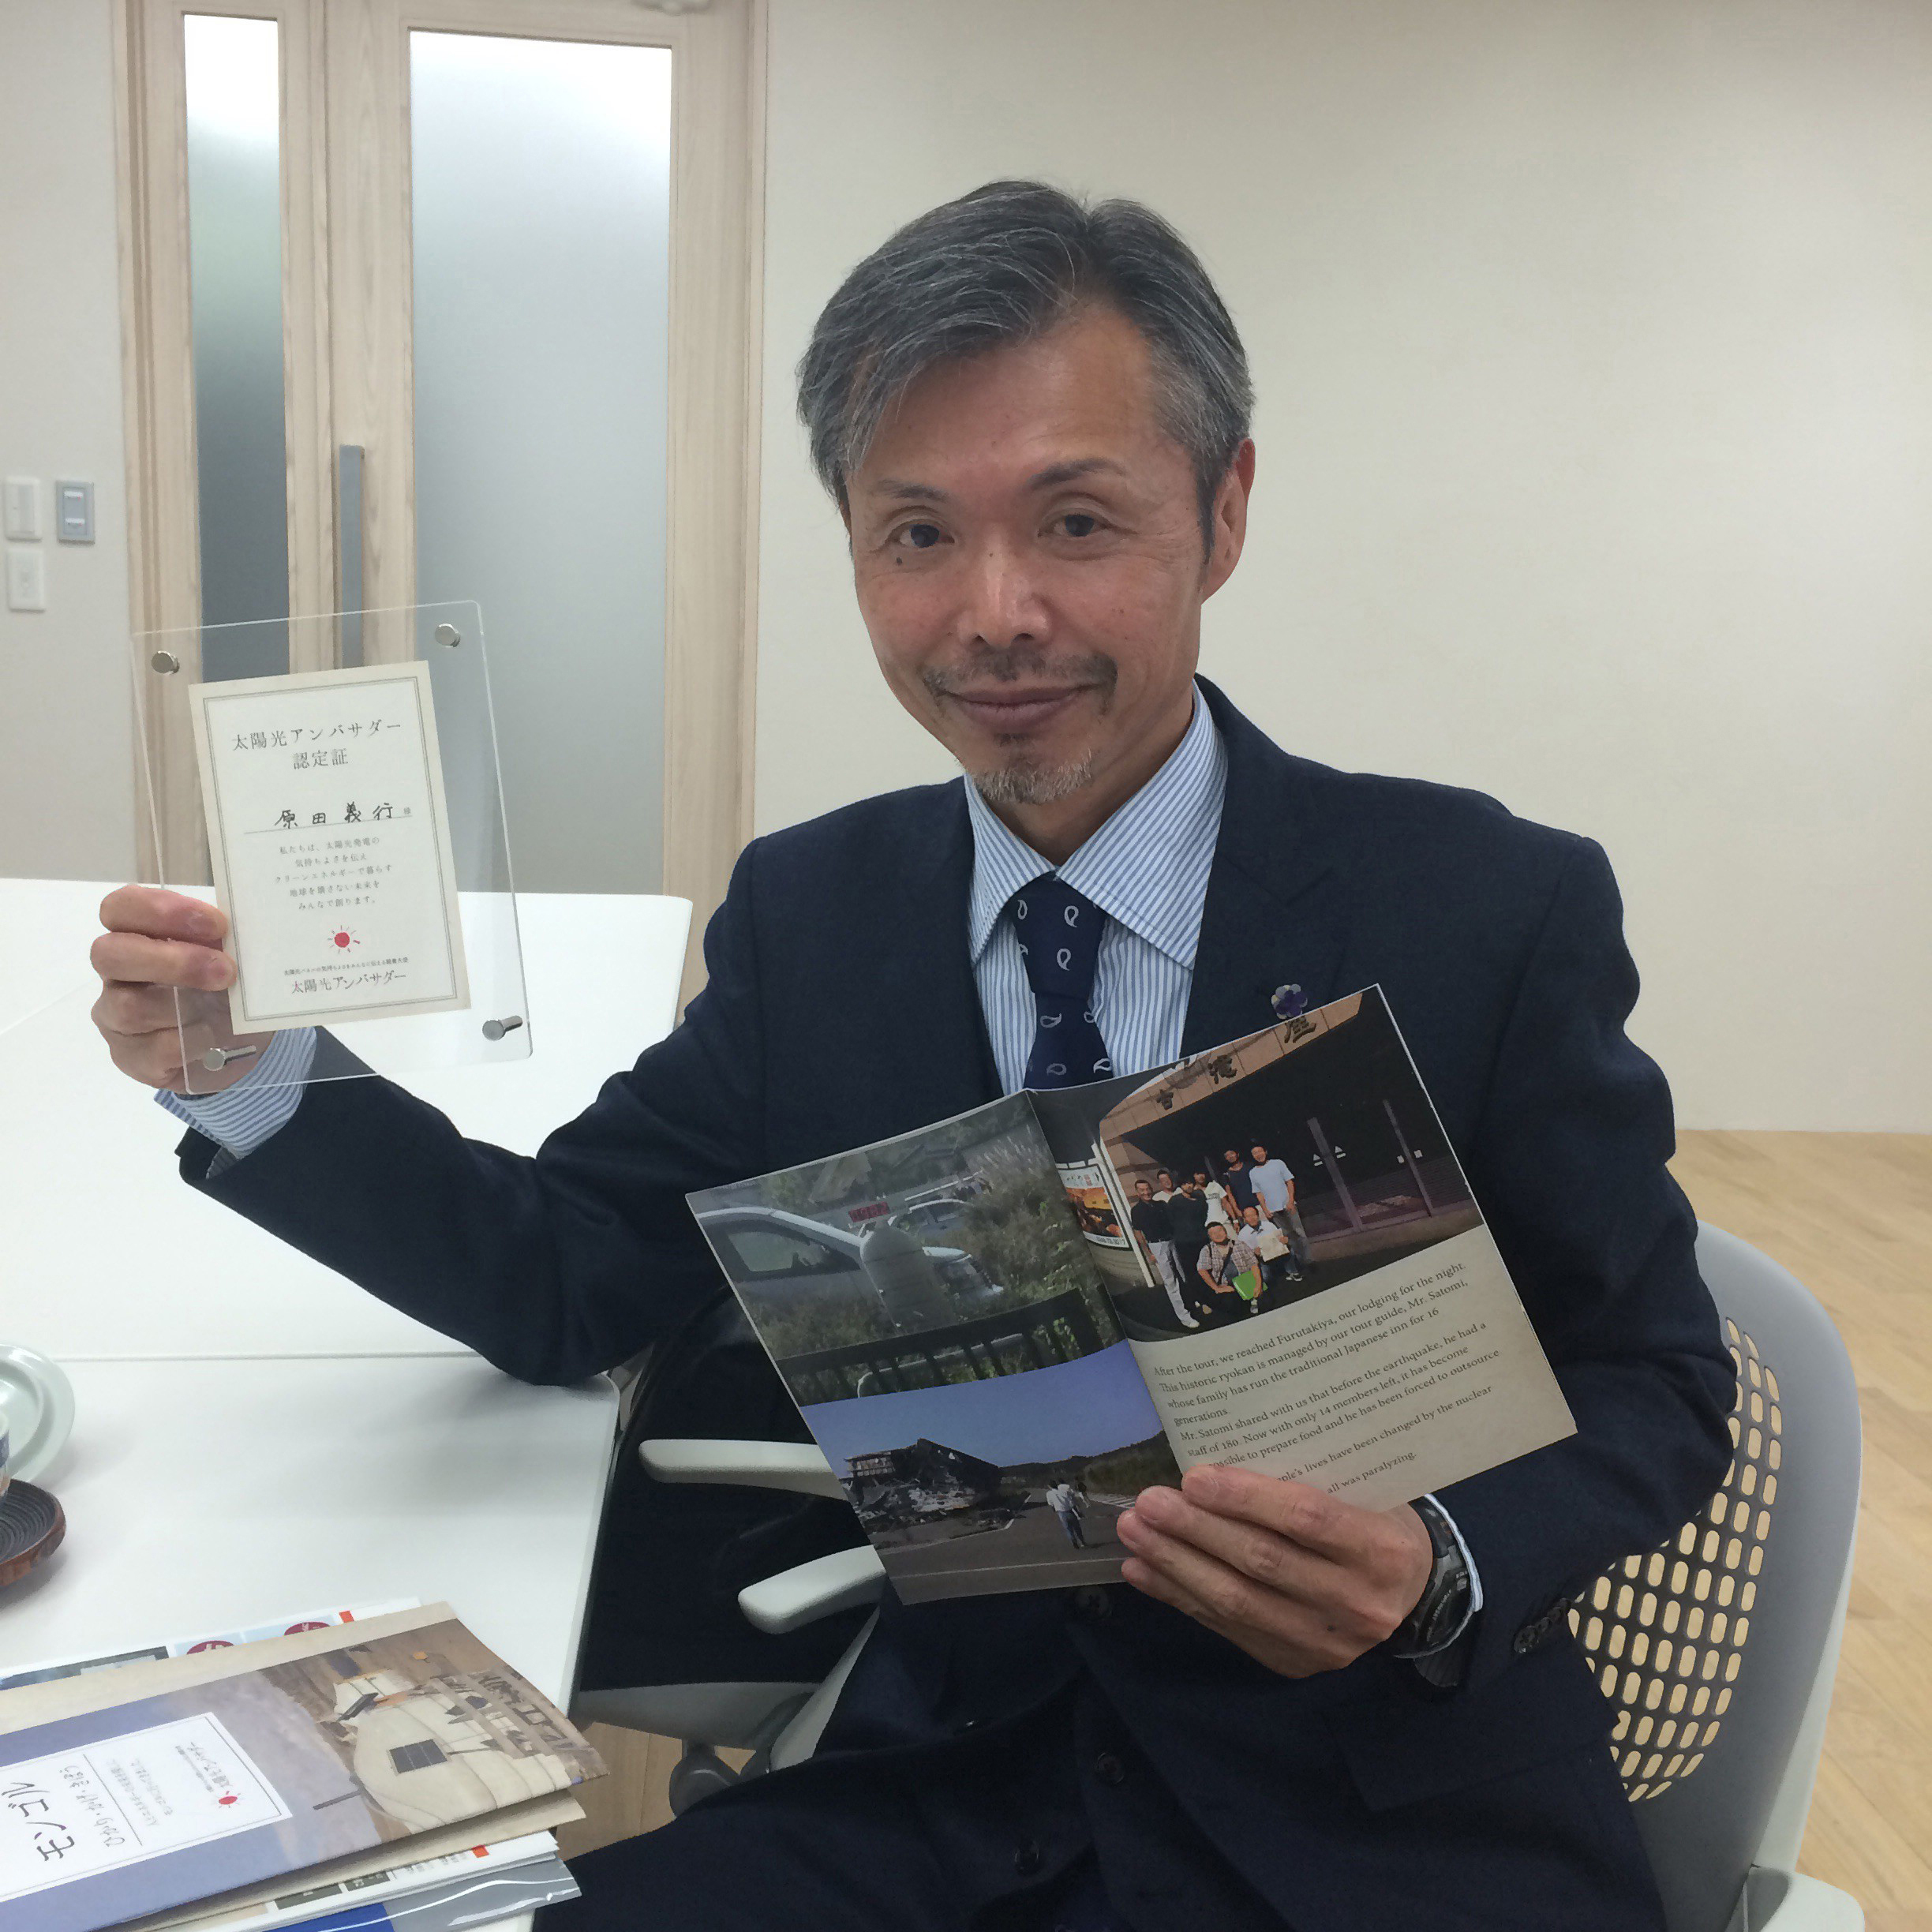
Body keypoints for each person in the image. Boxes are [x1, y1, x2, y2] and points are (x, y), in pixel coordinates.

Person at [90, 181, 1732, 1931]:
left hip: (1376, 1817)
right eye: (918, 533)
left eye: (1077, 521)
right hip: (946, 1790)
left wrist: (1440, 1563)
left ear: (1224, 509)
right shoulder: (819, 919)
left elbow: (1654, 1374)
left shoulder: (1478, 908)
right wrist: (250, 1073)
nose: (994, 613)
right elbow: (563, 1277)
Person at [1129, 1177, 1195, 1330]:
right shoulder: (1136, 1211)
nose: (1146, 1192)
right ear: (1137, 1192)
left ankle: (1191, 1301)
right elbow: (1138, 1233)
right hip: (1156, 1245)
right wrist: (1148, 1253)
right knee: (1170, 1281)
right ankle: (1184, 1317)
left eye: (1148, 1189)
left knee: (1183, 1274)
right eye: (1142, 1190)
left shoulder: (1161, 1205)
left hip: (1172, 1241)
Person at [1248, 1141, 1312, 1274]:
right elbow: (1259, 1193)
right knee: (1287, 1237)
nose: (1258, 1155)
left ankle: (1308, 1261)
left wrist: (1291, 1201)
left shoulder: (1278, 1163)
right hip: (1273, 1211)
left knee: (1300, 1233)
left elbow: (1289, 1182)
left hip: (1288, 1205)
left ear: (1265, 1152)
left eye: (1260, 1151)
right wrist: (1265, 1210)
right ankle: (1299, 1262)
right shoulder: (1253, 1173)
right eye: (1254, 1153)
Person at [1165, 1176, 1213, 1318]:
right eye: (1185, 1184)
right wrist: (1182, 1233)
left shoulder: (1200, 1196)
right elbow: (1170, 1220)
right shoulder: (1175, 1201)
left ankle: (1213, 1294)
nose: (1188, 1186)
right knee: (1192, 1272)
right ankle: (1202, 1301)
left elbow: (1204, 1215)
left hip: (1201, 1239)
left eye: (1190, 1183)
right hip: (1185, 1243)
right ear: (1181, 1186)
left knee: (1208, 1268)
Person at [1197, 1219, 1265, 1319]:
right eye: (1214, 1233)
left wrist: (1258, 1284)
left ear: (1225, 1231)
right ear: (1210, 1237)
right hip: (1225, 1285)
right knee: (1233, 1308)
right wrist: (1217, 1288)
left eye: (1220, 1231)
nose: (1218, 1235)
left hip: (1245, 1280)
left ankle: (1252, 1301)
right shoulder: (1207, 1250)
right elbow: (1202, 1270)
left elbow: (1254, 1264)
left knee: (1266, 1300)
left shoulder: (1239, 1244)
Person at [1239, 1201, 1300, 1301]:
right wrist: (1254, 1253)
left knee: (1290, 1249)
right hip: (1260, 1260)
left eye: (1254, 1215)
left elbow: (1279, 1237)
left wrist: (1284, 1240)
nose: (1252, 1218)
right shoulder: (1242, 1235)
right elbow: (1245, 1254)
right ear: (1245, 1219)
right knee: (1267, 1278)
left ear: (1258, 1216)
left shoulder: (1268, 1225)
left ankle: (1292, 1272)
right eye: (1248, 1216)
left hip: (1276, 1253)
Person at [1046, 1479, 1088, 1549]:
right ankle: (1082, 1542)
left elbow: (1051, 1504)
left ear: (1049, 1486)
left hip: (1061, 1513)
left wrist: (1054, 1509)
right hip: (1070, 1511)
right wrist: (1078, 1513)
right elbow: (1072, 1503)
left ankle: (1074, 1542)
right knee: (1077, 1528)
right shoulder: (1064, 1491)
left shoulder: (1049, 1494)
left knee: (1068, 1529)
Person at [1219, 1147, 1257, 1219]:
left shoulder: (1250, 1166)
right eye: (1227, 1156)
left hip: (1259, 1204)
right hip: (1244, 1209)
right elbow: (1230, 1195)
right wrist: (1237, 1210)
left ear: (1237, 1154)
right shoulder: (1226, 1175)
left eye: (1232, 1154)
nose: (1230, 1157)